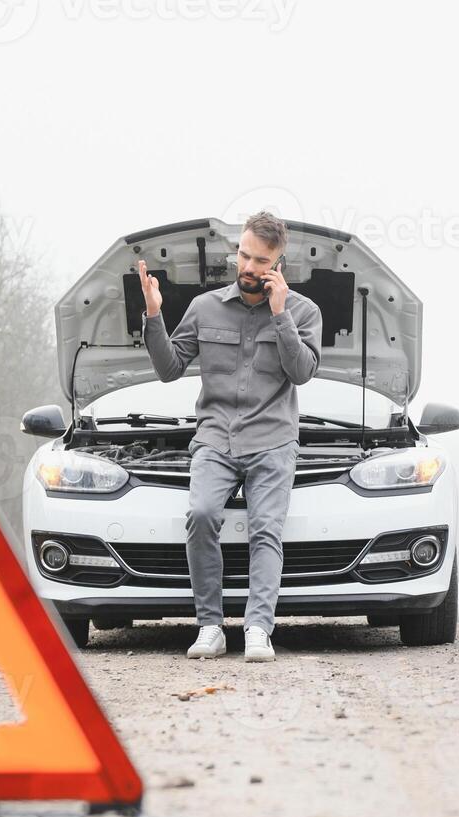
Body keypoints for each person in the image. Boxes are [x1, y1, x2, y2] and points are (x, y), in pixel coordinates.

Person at [138, 211, 322, 662]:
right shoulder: (204, 308)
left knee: (265, 531)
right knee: (201, 515)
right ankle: (210, 627)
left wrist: (280, 316)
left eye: (261, 260)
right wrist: (154, 312)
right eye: (244, 254)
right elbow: (169, 369)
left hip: (273, 441)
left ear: (279, 263)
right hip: (216, 440)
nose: (249, 266)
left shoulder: (304, 312)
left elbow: (302, 372)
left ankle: (259, 628)